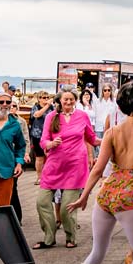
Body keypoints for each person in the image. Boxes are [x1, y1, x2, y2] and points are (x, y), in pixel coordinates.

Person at [70, 81, 133, 264]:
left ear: (120, 105)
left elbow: (97, 169)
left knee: (97, 252)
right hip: (130, 197)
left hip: (107, 194)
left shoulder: (112, 132)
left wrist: (83, 196)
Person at [37, 90, 98, 249]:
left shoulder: (82, 116)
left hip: (75, 166)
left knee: (66, 208)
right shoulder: (51, 117)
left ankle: (71, 237)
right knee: (41, 202)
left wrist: (111, 139)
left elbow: (91, 138)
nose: (69, 102)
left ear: (75, 101)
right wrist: (50, 144)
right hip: (54, 165)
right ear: (59, 101)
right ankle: (49, 237)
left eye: (71, 99)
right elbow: (43, 140)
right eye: (66, 100)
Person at [27, 92, 54, 174]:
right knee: (39, 157)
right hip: (37, 135)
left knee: (51, 156)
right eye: (43, 97)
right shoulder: (35, 107)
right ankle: (39, 177)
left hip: (49, 135)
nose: (46, 99)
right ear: (39, 99)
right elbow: (37, 115)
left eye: (47, 97)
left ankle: (49, 175)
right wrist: (47, 106)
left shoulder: (51, 107)